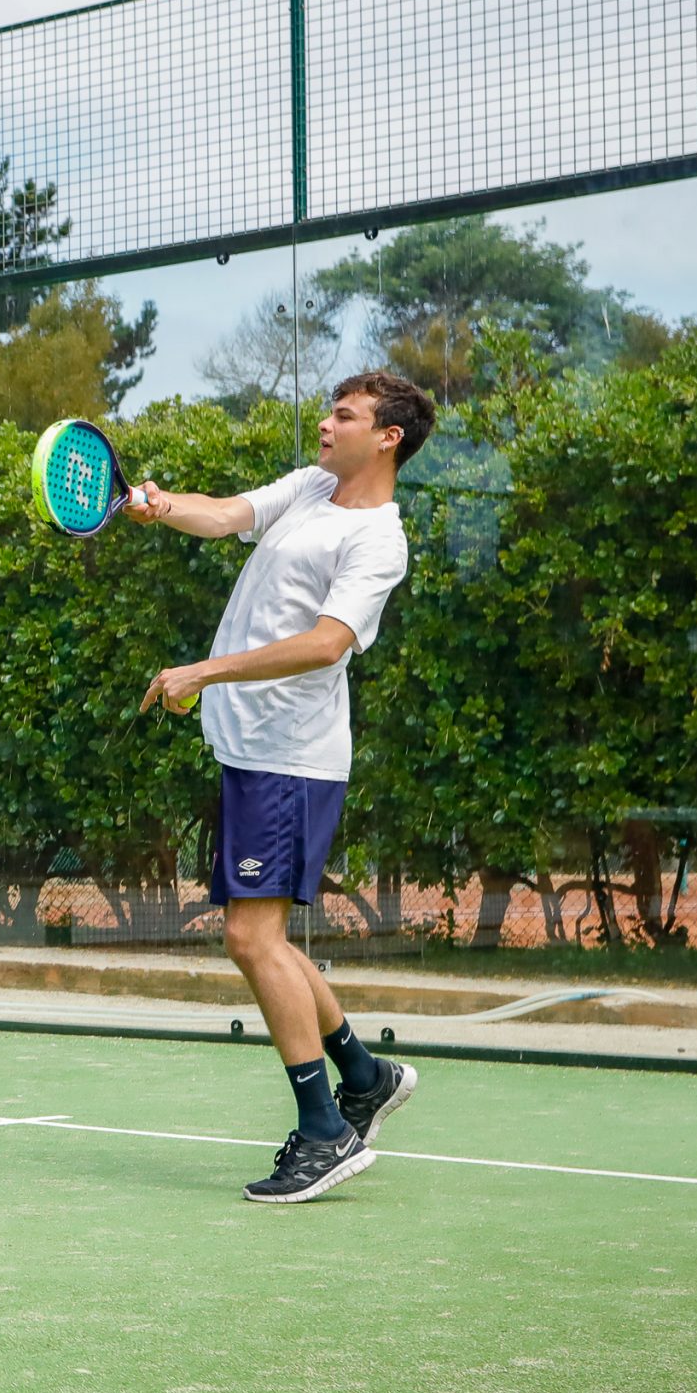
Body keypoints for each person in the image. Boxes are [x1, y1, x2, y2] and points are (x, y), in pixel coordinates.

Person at [126, 370, 435, 1203]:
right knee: (267, 938)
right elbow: (226, 512)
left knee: (249, 940)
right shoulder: (309, 488)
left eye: (345, 416)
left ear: (388, 437)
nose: (325, 426)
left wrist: (205, 670)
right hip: (252, 749)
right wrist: (154, 504)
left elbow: (327, 642)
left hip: (291, 759)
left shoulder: (378, 539)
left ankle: (326, 1130)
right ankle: (363, 1078)